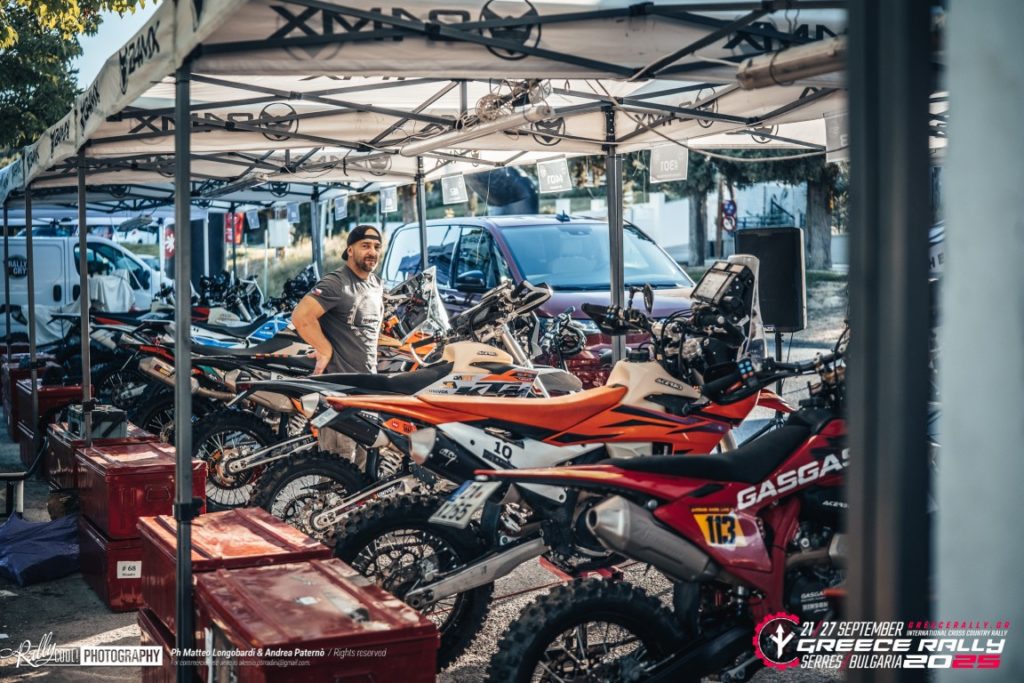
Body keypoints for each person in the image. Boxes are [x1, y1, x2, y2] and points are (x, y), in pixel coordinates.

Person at [292, 225, 384, 375]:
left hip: (368, 377)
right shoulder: (336, 283)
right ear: (350, 251)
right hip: (340, 381)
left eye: (377, 247)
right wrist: (324, 349)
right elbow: (301, 316)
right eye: (365, 246)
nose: (373, 252)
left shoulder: (377, 284)